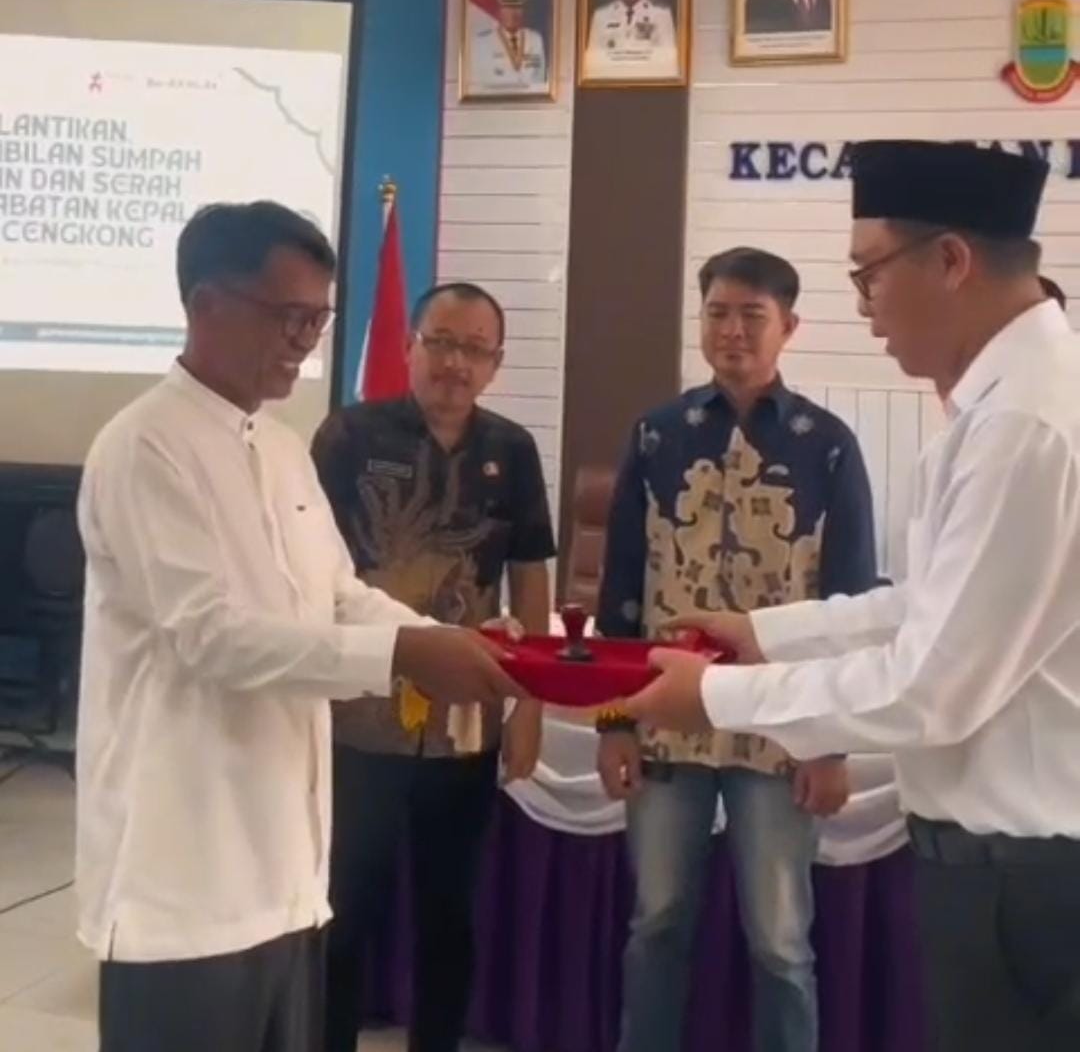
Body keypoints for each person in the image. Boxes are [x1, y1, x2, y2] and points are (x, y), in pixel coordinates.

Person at [627, 142, 1080, 1052]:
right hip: (1000, 859)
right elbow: (921, 603)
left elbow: (931, 684)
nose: (865, 307)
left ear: (949, 261)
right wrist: (764, 632)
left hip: (1023, 871)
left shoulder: (1026, 423)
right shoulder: (1007, 404)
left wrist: (716, 694)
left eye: (869, 274)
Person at [76, 202, 518, 1052]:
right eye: (288, 316)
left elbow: (339, 594)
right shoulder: (144, 447)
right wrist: (405, 652)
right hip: (184, 878)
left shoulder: (281, 449)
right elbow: (211, 636)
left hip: (287, 870)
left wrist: (450, 642)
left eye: (317, 318)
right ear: (206, 304)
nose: (305, 340)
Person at [596, 247, 877, 1052]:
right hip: (666, 713)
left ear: (789, 326)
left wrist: (829, 742)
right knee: (656, 920)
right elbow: (622, 588)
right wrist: (614, 720)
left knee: (781, 942)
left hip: (780, 726)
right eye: (717, 312)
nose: (732, 330)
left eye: (752, 315)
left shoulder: (826, 445)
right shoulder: (658, 435)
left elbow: (849, 604)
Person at [312, 281, 555, 1052]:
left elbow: (531, 577)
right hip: (358, 714)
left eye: (474, 349)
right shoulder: (347, 436)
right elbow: (309, 571)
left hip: (465, 723)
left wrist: (531, 704)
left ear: (495, 363)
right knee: (343, 909)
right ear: (409, 345)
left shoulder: (513, 449)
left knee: (450, 915)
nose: (456, 362)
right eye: (441, 342)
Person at [469, 0, 548, 94]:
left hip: (528, 101)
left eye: (517, 7)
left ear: (523, 10)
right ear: (499, 10)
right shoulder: (481, 43)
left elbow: (539, 79)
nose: (513, 13)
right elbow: (477, 85)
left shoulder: (535, 39)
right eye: (507, 7)